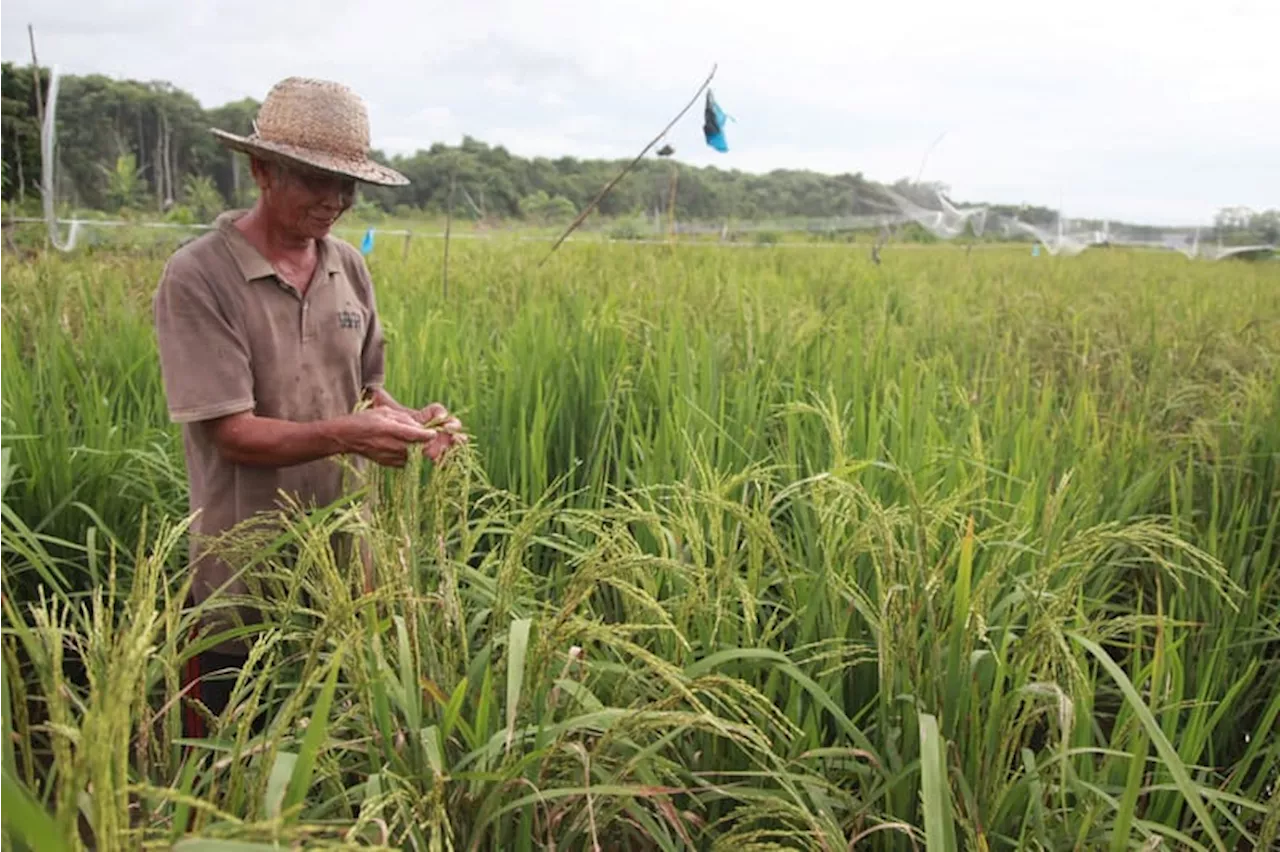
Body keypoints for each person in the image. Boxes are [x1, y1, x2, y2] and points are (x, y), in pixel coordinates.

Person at [152, 77, 465, 738]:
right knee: (230, 764)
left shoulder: (348, 266)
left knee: (335, 754)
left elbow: (367, 391)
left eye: (349, 186)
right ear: (262, 170)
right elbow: (230, 433)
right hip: (244, 575)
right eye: (315, 180)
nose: (336, 201)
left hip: (348, 569)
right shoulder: (200, 275)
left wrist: (414, 422)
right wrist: (349, 435)